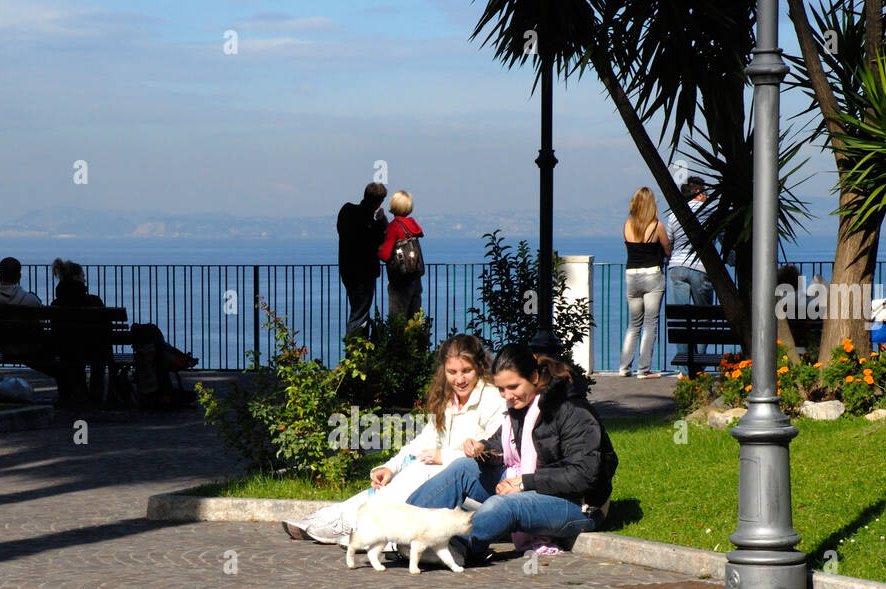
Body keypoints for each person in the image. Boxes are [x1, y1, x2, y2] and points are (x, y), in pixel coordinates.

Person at [406, 345, 619, 566]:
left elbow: (584, 475)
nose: (507, 396)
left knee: (503, 505)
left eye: (513, 387)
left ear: (534, 377)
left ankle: (455, 547)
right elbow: (503, 446)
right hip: (532, 485)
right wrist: (482, 448)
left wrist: (525, 483)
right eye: (501, 389)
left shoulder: (572, 410)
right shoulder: (519, 406)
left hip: (580, 505)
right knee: (462, 469)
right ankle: (405, 529)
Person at [282, 334, 506, 544]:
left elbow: (496, 452)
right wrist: (390, 467)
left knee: (422, 470)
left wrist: (443, 456)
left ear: (480, 367)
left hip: (473, 488)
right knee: (408, 470)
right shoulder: (448, 398)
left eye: (466, 371)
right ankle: (334, 515)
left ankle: (352, 523)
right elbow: (422, 441)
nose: (459, 379)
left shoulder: (492, 399)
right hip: (438, 477)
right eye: (452, 372)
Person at [617, 187, 671, 379]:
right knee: (650, 322)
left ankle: (624, 367)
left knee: (633, 324)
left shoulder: (626, 225)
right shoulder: (657, 226)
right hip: (652, 276)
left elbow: (629, 249)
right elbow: (667, 250)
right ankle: (643, 369)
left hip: (631, 275)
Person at [50, 258, 109, 402]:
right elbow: (106, 328)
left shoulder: (55, 304)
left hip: (66, 351)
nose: (85, 278)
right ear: (76, 277)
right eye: (83, 275)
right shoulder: (94, 301)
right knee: (99, 354)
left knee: (73, 352)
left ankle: (78, 392)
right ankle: (96, 395)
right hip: (94, 351)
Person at [338, 183, 389, 339]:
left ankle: (360, 350)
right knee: (359, 314)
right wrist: (381, 221)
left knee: (358, 311)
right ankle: (354, 354)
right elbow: (378, 241)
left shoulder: (347, 210)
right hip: (364, 273)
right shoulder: (371, 224)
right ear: (379, 202)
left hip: (347, 270)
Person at [664, 177, 713, 307]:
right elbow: (723, 238)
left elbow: (669, 242)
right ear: (699, 192)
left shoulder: (675, 214)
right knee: (704, 316)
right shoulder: (711, 212)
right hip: (702, 266)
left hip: (677, 266)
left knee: (680, 315)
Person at [377, 190, 424, 323]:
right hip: (415, 276)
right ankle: (415, 343)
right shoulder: (412, 224)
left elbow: (385, 255)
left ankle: (399, 344)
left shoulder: (394, 227)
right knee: (414, 318)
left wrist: (376, 248)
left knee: (397, 320)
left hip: (400, 280)